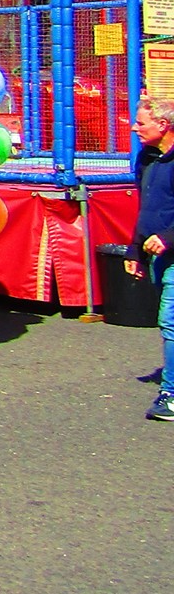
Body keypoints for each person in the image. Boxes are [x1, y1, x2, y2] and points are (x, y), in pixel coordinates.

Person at [126, 96, 174, 420]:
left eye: (141, 123)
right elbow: (147, 210)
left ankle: (170, 394)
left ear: (163, 125)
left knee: (170, 320)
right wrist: (135, 249)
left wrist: (169, 238)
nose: (133, 128)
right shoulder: (146, 159)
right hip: (158, 255)